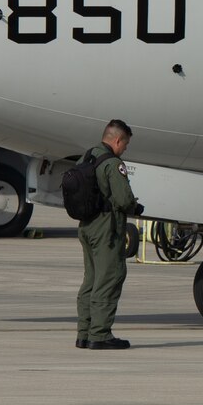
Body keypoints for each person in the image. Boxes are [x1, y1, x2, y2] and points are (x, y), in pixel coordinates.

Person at [75, 119, 142, 350]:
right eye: (125, 145)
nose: (125, 149)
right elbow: (124, 199)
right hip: (106, 229)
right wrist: (135, 207)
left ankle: (83, 333)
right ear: (117, 140)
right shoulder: (113, 164)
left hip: (86, 226)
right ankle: (100, 334)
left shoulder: (87, 157)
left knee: (91, 281)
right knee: (110, 278)